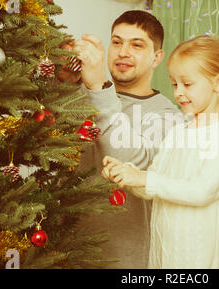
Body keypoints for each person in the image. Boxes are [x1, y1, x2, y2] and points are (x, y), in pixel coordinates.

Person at [102, 35, 219, 269]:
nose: (178, 92)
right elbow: (155, 186)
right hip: (162, 257)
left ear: (218, 82)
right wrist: (127, 174)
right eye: (175, 84)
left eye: (187, 84)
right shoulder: (179, 131)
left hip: (195, 262)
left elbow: (202, 190)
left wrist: (143, 178)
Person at [69, 10, 183, 268]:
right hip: (66, 253)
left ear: (157, 58)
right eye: (117, 42)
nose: (123, 52)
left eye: (137, 45)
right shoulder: (85, 94)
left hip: (127, 261)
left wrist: (98, 87)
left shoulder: (168, 116)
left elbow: (131, 164)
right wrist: (64, 82)